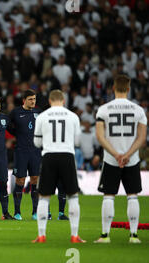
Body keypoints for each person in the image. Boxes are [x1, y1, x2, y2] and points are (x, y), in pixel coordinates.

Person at [94, 75, 147, 244]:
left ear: (113, 88)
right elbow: (141, 138)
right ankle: (133, 236)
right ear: (129, 88)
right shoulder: (139, 110)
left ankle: (105, 235)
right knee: (132, 196)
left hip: (111, 159)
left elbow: (100, 136)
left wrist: (116, 154)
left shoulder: (103, 109)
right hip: (131, 160)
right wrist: (127, 155)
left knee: (108, 196)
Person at [32, 90, 85, 243]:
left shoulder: (42, 116)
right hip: (67, 156)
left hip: (49, 156)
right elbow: (77, 142)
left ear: (49, 101)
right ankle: (74, 235)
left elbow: (37, 143)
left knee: (44, 197)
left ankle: (41, 235)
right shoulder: (73, 116)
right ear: (63, 100)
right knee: (73, 196)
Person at [9, 89, 69, 221]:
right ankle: (17, 212)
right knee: (20, 180)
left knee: (35, 180)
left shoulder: (39, 112)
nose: (33, 101)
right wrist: (16, 133)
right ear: (24, 100)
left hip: (36, 151)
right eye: (30, 99)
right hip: (21, 151)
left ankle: (35, 212)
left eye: (34, 99)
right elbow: (8, 125)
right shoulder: (16, 112)